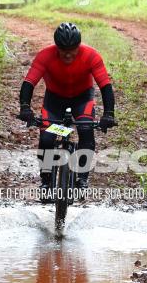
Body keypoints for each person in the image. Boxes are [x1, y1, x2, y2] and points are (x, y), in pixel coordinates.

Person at [17, 22, 117, 190]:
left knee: (86, 132)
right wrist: (25, 108)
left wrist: (109, 114)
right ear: (57, 47)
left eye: (72, 50)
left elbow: (105, 86)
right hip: (54, 102)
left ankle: (82, 179)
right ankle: (46, 180)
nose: (68, 55)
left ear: (79, 46)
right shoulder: (45, 56)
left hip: (82, 99)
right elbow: (29, 82)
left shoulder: (91, 55)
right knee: (47, 138)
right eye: (63, 50)